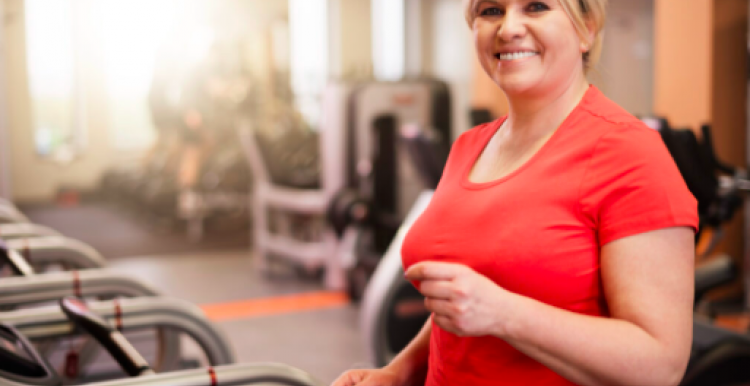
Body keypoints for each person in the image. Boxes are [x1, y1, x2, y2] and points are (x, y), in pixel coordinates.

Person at [332, 0, 698, 385]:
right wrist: (399, 371)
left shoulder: (628, 153)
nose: (508, 29)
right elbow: (464, 306)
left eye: (536, 7)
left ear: (586, 28)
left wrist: (504, 313)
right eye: (491, 10)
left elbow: (660, 367)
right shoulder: (469, 147)